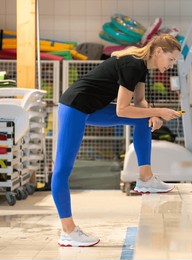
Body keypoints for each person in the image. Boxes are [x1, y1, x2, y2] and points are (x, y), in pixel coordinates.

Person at [51, 34, 182, 247]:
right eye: (171, 59)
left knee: (142, 121)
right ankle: (68, 231)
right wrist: (160, 111)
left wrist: (153, 114)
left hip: (91, 107)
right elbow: (122, 109)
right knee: (62, 170)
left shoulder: (141, 68)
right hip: (74, 106)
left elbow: (139, 102)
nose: (172, 65)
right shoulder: (133, 64)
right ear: (159, 52)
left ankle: (145, 178)